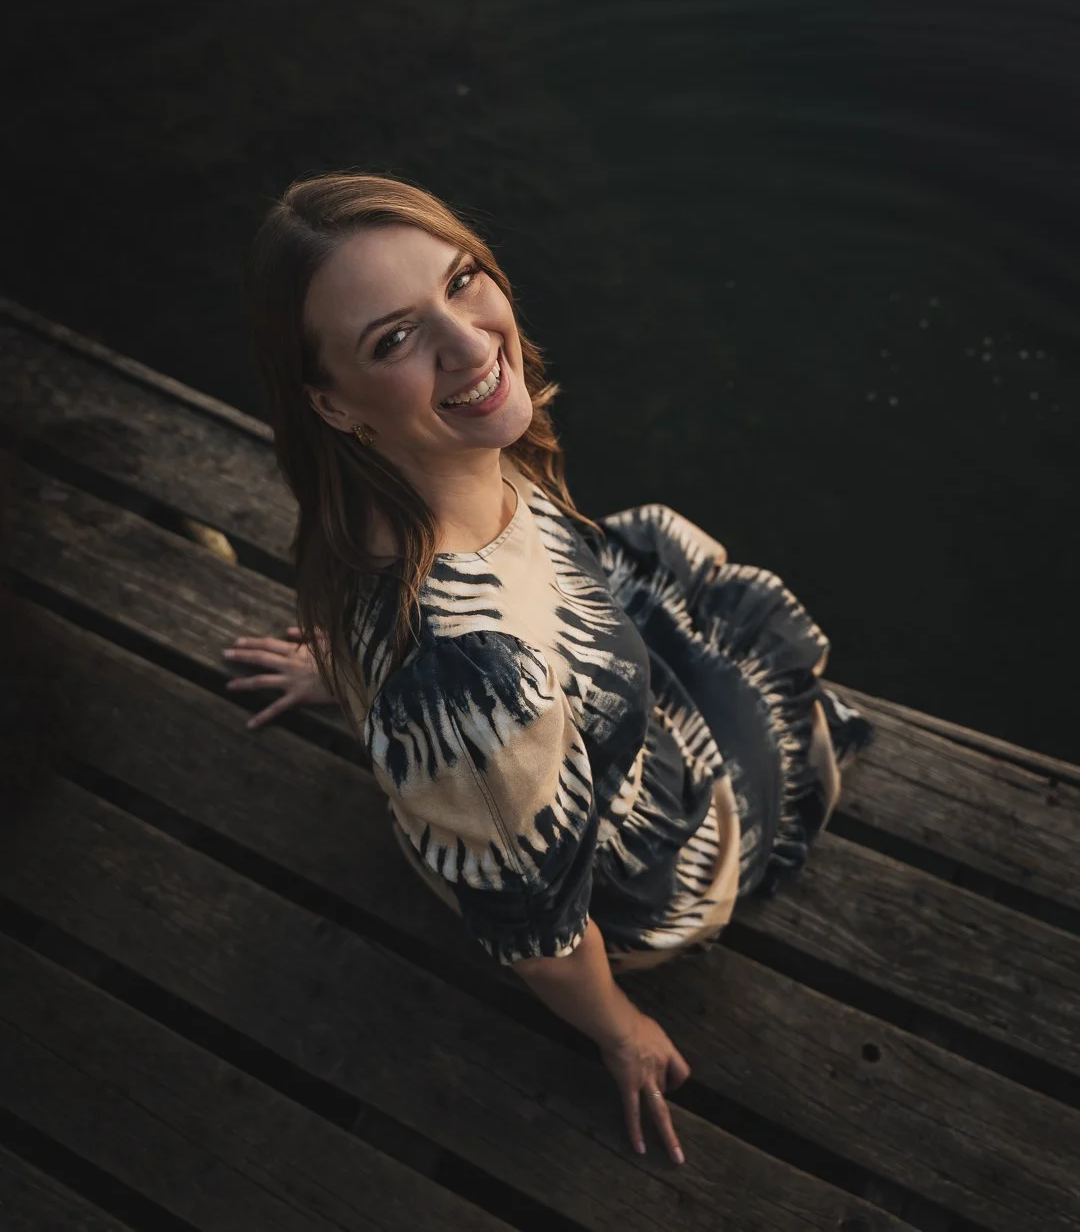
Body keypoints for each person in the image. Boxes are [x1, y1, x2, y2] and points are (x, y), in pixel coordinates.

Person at [223, 171, 874, 1169]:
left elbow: (403, 625)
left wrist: (344, 674)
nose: (473, 342)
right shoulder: (468, 693)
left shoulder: (384, 484)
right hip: (628, 876)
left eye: (463, 279)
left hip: (553, 707)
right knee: (776, 708)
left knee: (675, 597)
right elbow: (538, 929)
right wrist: (616, 1026)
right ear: (334, 402)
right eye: (393, 339)